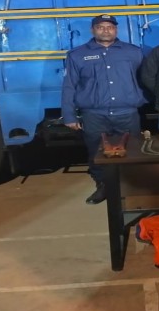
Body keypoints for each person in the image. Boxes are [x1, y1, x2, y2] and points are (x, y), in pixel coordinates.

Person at [62, 14, 146, 205]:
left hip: (127, 113)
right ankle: (103, 186)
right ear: (92, 30)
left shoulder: (133, 52)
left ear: (116, 29)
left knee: (132, 151)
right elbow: (69, 86)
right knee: (97, 153)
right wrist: (69, 115)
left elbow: (145, 78)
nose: (106, 30)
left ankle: (130, 187)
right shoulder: (77, 55)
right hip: (94, 116)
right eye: (100, 27)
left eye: (110, 27)